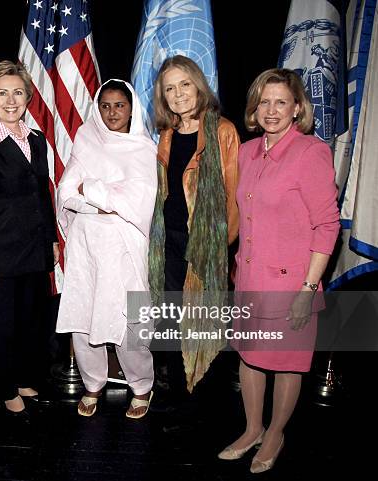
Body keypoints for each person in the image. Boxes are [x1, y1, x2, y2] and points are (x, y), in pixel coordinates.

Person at [217, 68, 339, 473]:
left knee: (287, 363)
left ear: (297, 108)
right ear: (254, 108)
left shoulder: (310, 152)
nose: (271, 110)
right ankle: (253, 428)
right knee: (249, 359)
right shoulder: (249, 151)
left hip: (292, 284)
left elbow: (327, 225)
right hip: (250, 280)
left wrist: (308, 287)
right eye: (264, 102)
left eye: (281, 102)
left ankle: (275, 434)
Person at [56, 79, 158, 418]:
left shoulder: (143, 148)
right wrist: (101, 203)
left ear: (132, 108)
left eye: (120, 105)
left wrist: (93, 188)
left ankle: (142, 386)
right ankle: (93, 383)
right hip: (86, 245)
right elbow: (66, 193)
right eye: (106, 105)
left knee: (128, 319)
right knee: (83, 317)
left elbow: (138, 203)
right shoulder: (86, 140)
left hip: (124, 248)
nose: (112, 112)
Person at [0, 60, 59, 418]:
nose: (10, 99)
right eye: (2, 93)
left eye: (18, 92)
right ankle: (6, 390)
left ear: (27, 97)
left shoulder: (37, 141)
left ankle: (22, 380)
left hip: (34, 250)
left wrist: (50, 239)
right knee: (3, 326)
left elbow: (42, 195)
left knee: (30, 323)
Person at [148, 55, 240, 393]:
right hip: (167, 243)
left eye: (184, 84)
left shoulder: (223, 131)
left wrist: (214, 246)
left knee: (202, 325)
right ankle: (174, 393)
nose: (178, 94)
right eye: (169, 88)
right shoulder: (166, 135)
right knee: (169, 321)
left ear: (198, 86)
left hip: (204, 246)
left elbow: (235, 198)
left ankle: (200, 402)